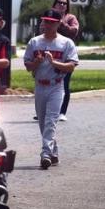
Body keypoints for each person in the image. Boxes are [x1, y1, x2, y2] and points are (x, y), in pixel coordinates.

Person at [23, 9, 78, 169]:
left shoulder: (66, 43)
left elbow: (71, 66)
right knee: (42, 122)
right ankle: (53, 151)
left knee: (50, 122)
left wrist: (54, 63)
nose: (47, 24)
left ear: (58, 23)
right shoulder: (34, 42)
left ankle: (45, 154)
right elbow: (28, 66)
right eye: (45, 21)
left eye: (51, 22)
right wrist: (37, 62)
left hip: (56, 86)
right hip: (40, 85)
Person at [52, 0, 80, 121]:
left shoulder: (71, 18)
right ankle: (48, 110)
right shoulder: (49, 16)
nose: (62, 5)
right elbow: (41, 31)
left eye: (64, 3)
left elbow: (73, 31)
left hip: (66, 54)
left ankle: (62, 112)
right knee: (48, 82)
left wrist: (61, 23)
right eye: (59, 2)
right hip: (51, 53)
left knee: (64, 83)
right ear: (55, 4)